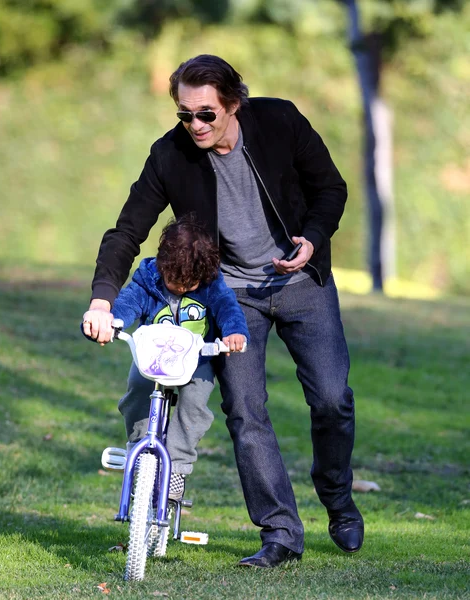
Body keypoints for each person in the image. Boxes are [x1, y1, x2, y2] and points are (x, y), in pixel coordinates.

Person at [82, 53, 364, 568]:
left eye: (206, 114)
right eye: (184, 114)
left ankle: (337, 495)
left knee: (331, 397)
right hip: (230, 294)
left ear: (233, 104)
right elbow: (127, 231)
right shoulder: (170, 156)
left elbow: (332, 189)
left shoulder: (281, 122)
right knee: (244, 410)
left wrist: (314, 239)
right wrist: (103, 297)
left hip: (301, 279)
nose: (194, 125)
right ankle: (280, 532)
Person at [84, 214, 248, 500]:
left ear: (204, 275)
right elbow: (128, 302)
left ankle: (177, 467)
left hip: (195, 361)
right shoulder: (148, 278)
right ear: (161, 265)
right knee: (137, 391)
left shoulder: (212, 285)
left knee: (194, 405)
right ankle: (138, 451)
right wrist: (113, 322)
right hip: (153, 359)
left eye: (189, 285)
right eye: (174, 281)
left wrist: (234, 332)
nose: (181, 288)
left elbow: (227, 307)